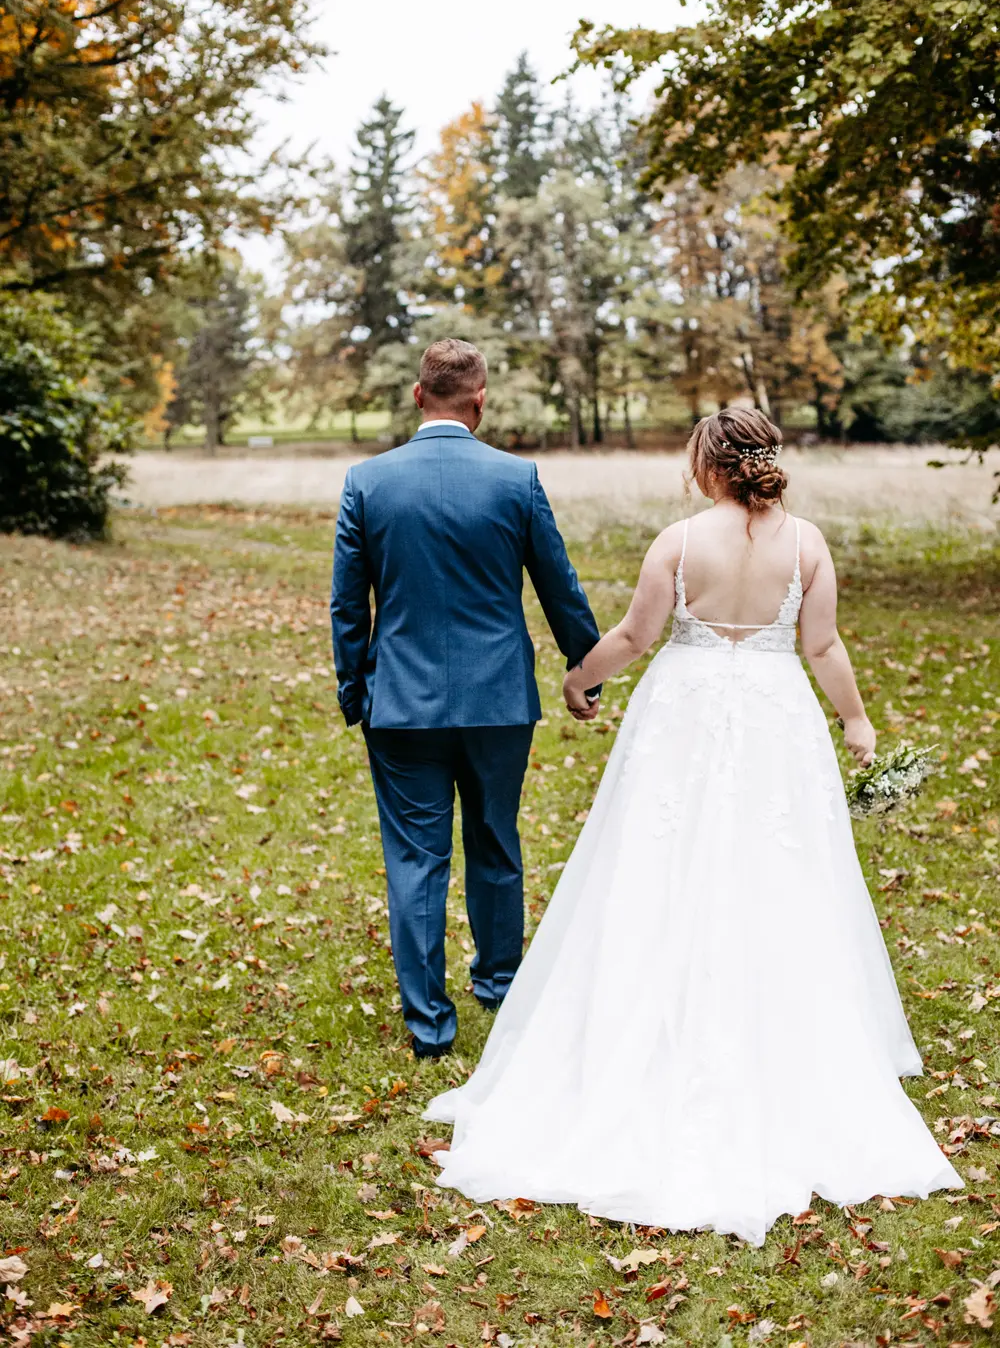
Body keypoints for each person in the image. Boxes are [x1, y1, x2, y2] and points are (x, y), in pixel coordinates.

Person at [426, 406, 959, 1244]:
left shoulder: (678, 541)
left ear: (707, 463)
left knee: (659, 864)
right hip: (778, 714)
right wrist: (855, 722)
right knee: (780, 871)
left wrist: (579, 679)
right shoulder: (808, 543)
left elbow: (638, 634)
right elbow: (822, 646)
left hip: (684, 711)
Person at [330, 339, 601, 1059]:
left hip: (401, 704)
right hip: (499, 701)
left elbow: (347, 606)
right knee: (494, 841)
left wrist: (355, 690)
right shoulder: (517, 479)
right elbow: (558, 584)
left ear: (418, 396)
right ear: (480, 401)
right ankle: (501, 986)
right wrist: (588, 663)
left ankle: (429, 1025)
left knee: (416, 859)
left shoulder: (367, 481)